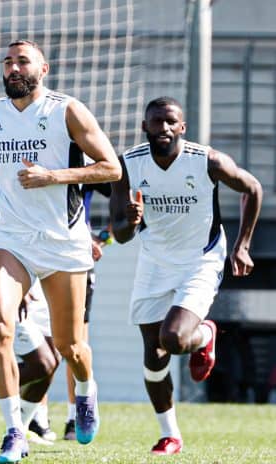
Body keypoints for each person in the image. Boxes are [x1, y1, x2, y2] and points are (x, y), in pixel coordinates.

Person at [0, 39, 121, 463]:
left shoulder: (66, 110)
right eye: (8, 62)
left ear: (43, 69)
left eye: (23, 61)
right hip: (9, 238)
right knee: (0, 328)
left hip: (62, 241)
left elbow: (111, 167)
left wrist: (53, 176)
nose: (13, 68)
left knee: (71, 347)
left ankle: (85, 391)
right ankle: (15, 431)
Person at [110, 96, 262, 455]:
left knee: (175, 339)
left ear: (182, 127)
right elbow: (121, 234)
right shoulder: (127, 165)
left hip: (200, 260)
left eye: (170, 121)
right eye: (156, 121)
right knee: (153, 352)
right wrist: (129, 221)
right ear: (144, 127)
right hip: (154, 260)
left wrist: (242, 245)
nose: (163, 128)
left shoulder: (207, 161)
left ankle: (205, 333)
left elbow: (253, 188)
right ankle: (170, 435)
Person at [0, 202, 60, 445]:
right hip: (1, 287)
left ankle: (22, 429)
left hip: (37, 285)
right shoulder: (5, 195)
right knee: (43, 364)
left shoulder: (56, 195)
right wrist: (13, 285)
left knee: (54, 359)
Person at [63, 182, 112, 440]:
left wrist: (104, 236)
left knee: (74, 342)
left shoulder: (83, 163)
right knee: (38, 343)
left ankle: (75, 415)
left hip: (74, 257)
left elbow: (126, 196)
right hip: (30, 252)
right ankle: (35, 419)